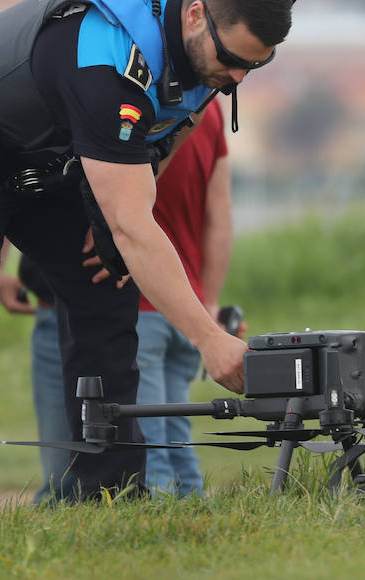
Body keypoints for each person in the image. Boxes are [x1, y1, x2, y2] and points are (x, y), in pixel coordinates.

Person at [0, 0, 294, 504]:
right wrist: (209, 340)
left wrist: (114, 220)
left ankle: (111, 499)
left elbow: (178, 118)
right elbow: (135, 226)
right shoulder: (109, 61)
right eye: (233, 59)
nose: (239, 78)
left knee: (106, 286)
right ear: (195, 15)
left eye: (256, 64)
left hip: (42, 153)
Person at [0, 0, 112, 502]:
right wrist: (2, 264)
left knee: (112, 436)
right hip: (47, 296)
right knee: (57, 462)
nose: (67, 4)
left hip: (110, 290)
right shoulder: (29, 76)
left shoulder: (119, 80)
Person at [136, 97, 237, 497]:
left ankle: (159, 533)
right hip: (192, 306)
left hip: (144, 301)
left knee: (150, 449)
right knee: (177, 438)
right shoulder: (209, 109)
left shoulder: (135, 102)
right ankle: (194, 514)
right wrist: (208, 303)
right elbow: (220, 217)